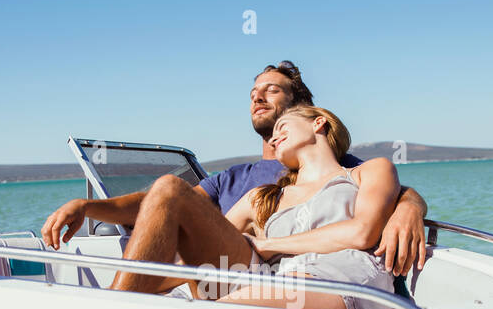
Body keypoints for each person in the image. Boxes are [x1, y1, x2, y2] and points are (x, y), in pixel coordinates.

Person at [39, 61, 428, 294]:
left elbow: (384, 194)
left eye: (271, 90)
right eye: (253, 92)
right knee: (169, 191)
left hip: (269, 269)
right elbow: (160, 205)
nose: (257, 98)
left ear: (307, 110)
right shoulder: (236, 179)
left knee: (170, 191)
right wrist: (89, 206)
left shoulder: (335, 163)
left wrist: (409, 208)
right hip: (223, 266)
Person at [219, 105, 395, 309]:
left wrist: (267, 245)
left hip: (344, 276)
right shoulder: (263, 197)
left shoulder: (368, 171)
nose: (273, 140)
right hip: (279, 282)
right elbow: (213, 240)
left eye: (282, 127)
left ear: (318, 123)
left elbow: (362, 232)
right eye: (272, 137)